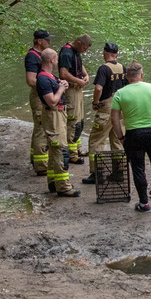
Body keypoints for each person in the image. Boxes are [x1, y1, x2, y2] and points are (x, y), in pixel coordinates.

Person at [111, 61, 151, 211]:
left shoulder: (120, 93)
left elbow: (114, 119)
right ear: (141, 75)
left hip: (133, 134)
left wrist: (121, 137)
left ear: (127, 77)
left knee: (138, 169)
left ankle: (144, 203)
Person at [81, 42, 126, 185]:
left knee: (96, 140)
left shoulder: (104, 69)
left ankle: (97, 174)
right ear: (117, 54)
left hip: (106, 107)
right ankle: (118, 173)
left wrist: (95, 102)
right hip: (121, 107)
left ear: (104, 53)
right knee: (118, 140)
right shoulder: (122, 68)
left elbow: (99, 88)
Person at [36, 48, 79, 197]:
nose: (58, 61)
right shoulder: (42, 79)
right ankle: (64, 187)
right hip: (53, 116)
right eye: (56, 59)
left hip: (59, 115)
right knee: (60, 150)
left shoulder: (49, 77)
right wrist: (61, 88)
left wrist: (61, 84)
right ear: (52, 60)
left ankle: (54, 182)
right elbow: (52, 101)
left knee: (56, 150)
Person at [58, 34, 91, 164]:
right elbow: (63, 73)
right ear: (78, 42)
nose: (84, 50)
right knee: (73, 121)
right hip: (71, 89)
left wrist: (86, 75)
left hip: (78, 88)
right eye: (83, 47)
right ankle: (72, 154)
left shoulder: (75, 51)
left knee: (79, 121)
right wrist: (79, 81)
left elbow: (79, 64)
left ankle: (77, 148)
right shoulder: (66, 52)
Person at [24, 29, 52, 176]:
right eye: (47, 40)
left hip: (42, 95)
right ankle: (41, 165)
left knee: (39, 128)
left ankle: (36, 159)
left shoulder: (40, 55)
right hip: (38, 96)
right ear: (39, 41)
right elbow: (30, 80)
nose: (49, 42)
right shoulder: (32, 56)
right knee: (42, 128)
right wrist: (48, 84)